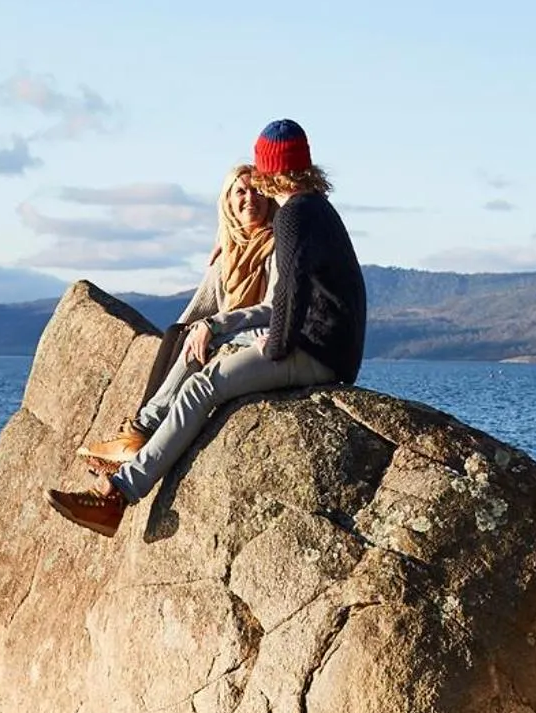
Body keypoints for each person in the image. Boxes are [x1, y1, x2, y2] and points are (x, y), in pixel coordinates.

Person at [47, 119, 366, 535]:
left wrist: (274, 349)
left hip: (315, 354)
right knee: (208, 362)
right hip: (330, 349)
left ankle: (118, 495)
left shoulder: (293, 216)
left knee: (204, 386)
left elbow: (289, 293)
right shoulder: (317, 209)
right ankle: (128, 464)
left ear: (269, 169)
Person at [75, 163, 274, 472]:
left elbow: (273, 307)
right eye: (241, 191)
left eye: (258, 190)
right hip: (232, 324)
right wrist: (184, 334)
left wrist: (205, 330)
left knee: (198, 340)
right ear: (227, 202)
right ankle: (136, 434)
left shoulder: (276, 244)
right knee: (177, 333)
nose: (251, 198)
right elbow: (201, 306)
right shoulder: (228, 253)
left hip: (258, 332)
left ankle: (140, 431)